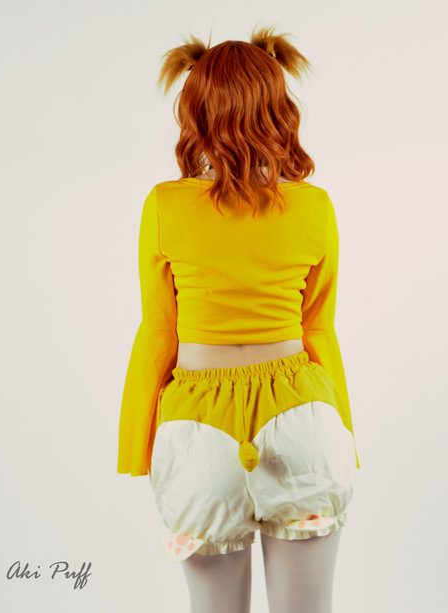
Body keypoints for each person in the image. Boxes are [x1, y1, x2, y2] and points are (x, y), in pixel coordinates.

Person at [117, 23, 361, 613]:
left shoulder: (163, 205)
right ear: (279, 107)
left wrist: (135, 444)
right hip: (303, 419)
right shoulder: (314, 206)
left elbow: (158, 330)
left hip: (197, 427)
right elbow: (318, 329)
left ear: (195, 110)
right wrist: (346, 435)